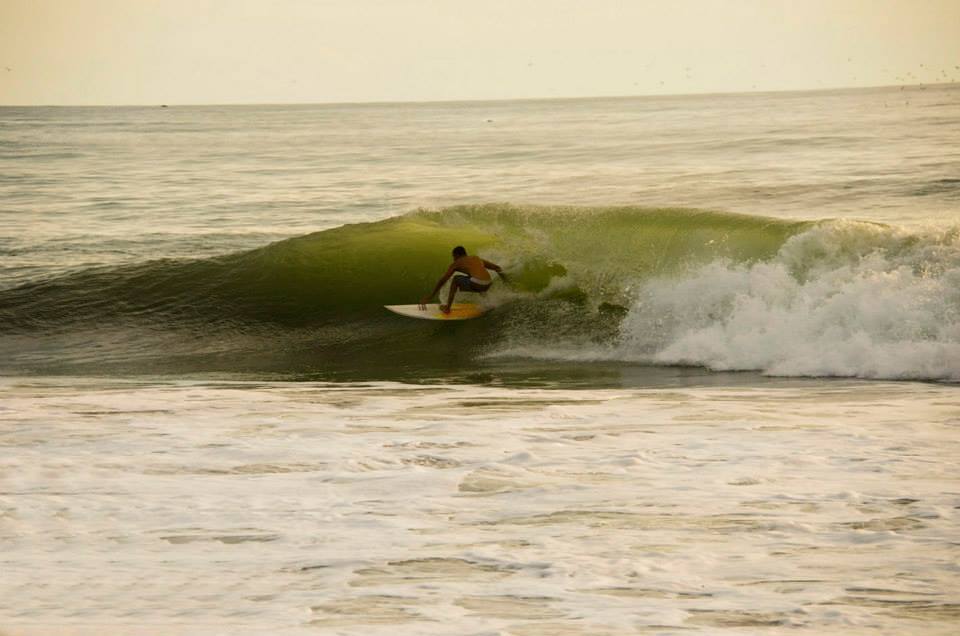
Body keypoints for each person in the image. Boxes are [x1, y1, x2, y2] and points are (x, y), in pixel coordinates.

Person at [420, 246, 507, 313]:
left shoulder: (457, 263)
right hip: (488, 283)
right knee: (473, 278)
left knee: (456, 279)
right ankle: (488, 303)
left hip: (478, 283)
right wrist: (506, 281)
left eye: (453, 256)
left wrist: (431, 296)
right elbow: (497, 268)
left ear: (457, 255)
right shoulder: (476, 258)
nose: (453, 259)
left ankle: (447, 308)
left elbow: (443, 280)